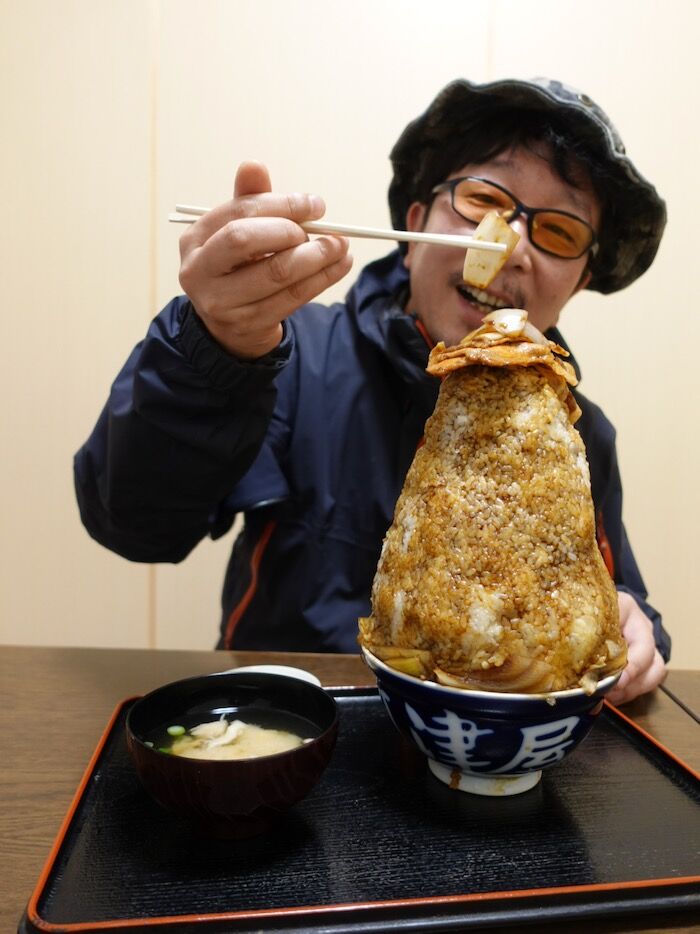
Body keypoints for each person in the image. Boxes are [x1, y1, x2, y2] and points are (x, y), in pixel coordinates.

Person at [75, 77, 670, 704]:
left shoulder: (576, 430)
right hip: (294, 725)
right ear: (415, 227)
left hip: (494, 740)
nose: (512, 247)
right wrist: (213, 345)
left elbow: (616, 601)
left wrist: (635, 629)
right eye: (483, 199)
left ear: (577, 282)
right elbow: (132, 522)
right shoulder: (286, 356)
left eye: (561, 233)